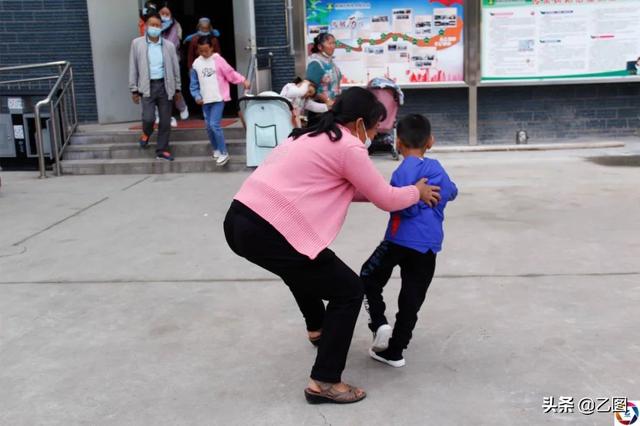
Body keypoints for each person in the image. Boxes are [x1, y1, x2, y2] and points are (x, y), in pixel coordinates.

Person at [223, 87, 441, 404]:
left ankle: (317, 329)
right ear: (359, 123)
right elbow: (384, 199)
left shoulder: (308, 135)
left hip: (240, 220)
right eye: (374, 128)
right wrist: (414, 192)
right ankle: (324, 381)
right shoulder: (348, 146)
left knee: (306, 262)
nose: (374, 135)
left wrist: (384, 189)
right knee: (349, 290)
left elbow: (346, 188)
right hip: (270, 228)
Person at [361, 114, 458, 368]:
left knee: (368, 277)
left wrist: (415, 195)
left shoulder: (402, 171)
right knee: (411, 299)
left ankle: (379, 323)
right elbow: (451, 192)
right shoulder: (437, 168)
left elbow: (400, 204)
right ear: (431, 141)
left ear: (398, 142)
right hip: (428, 247)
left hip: (398, 241)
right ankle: (395, 351)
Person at [190, 36, 250, 166]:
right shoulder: (196, 64)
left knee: (214, 125)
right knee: (208, 127)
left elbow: (230, 73)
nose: (204, 53)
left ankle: (224, 152)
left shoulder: (218, 60)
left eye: (206, 50)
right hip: (205, 100)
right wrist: (197, 96)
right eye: (201, 51)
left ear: (211, 48)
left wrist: (242, 80)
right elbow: (193, 83)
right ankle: (216, 149)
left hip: (218, 98)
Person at [129, 12, 181, 161]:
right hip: (147, 87)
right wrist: (133, 89)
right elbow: (133, 67)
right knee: (148, 117)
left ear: (161, 28)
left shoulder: (169, 46)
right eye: (152, 25)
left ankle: (162, 150)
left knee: (165, 121)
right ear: (146, 26)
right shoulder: (137, 44)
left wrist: (177, 88)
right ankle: (146, 133)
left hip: (165, 86)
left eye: (158, 25)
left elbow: (175, 68)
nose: (154, 27)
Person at [158, 4, 189, 123]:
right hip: (156, 62)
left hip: (171, 61)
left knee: (174, 86)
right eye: (162, 13)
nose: (164, 16)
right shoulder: (154, 24)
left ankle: (182, 107)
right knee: (159, 88)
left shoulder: (175, 26)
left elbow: (173, 43)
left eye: (167, 14)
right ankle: (164, 115)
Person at [306, 33, 341, 105]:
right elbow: (310, 88)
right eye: (330, 43)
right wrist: (327, 100)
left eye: (334, 43)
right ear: (320, 46)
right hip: (321, 107)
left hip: (333, 105)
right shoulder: (316, 63)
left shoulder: (331, 62)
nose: (333, 46)